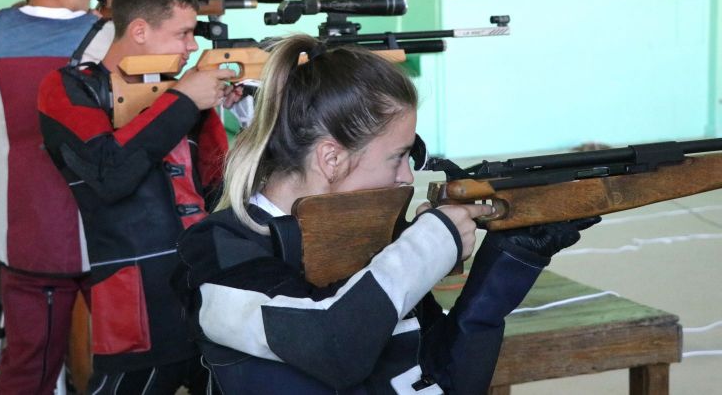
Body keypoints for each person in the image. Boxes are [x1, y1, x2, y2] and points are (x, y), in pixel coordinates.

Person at [172, 35, 600, 394]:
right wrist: (429, 243)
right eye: (397, 156)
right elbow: (331, 341)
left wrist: (509, 259)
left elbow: (445, 382)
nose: (406, 176)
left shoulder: (374, 243)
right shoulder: (220, 251)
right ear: (331, 159)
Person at [38, 0, 238, 393]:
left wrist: (241, 108)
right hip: (137, 304)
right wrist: (184, 100)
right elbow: (109, 173)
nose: (193, 46)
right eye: (183, 33)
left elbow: (220, 187)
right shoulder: (70, 89)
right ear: (140, 30)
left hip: (206, 290)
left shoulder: (182, 93)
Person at [0, 0, 114, 394]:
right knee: (122, 355)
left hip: (14, 220)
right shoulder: (106, 35)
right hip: (95, 220)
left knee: (28, 364)